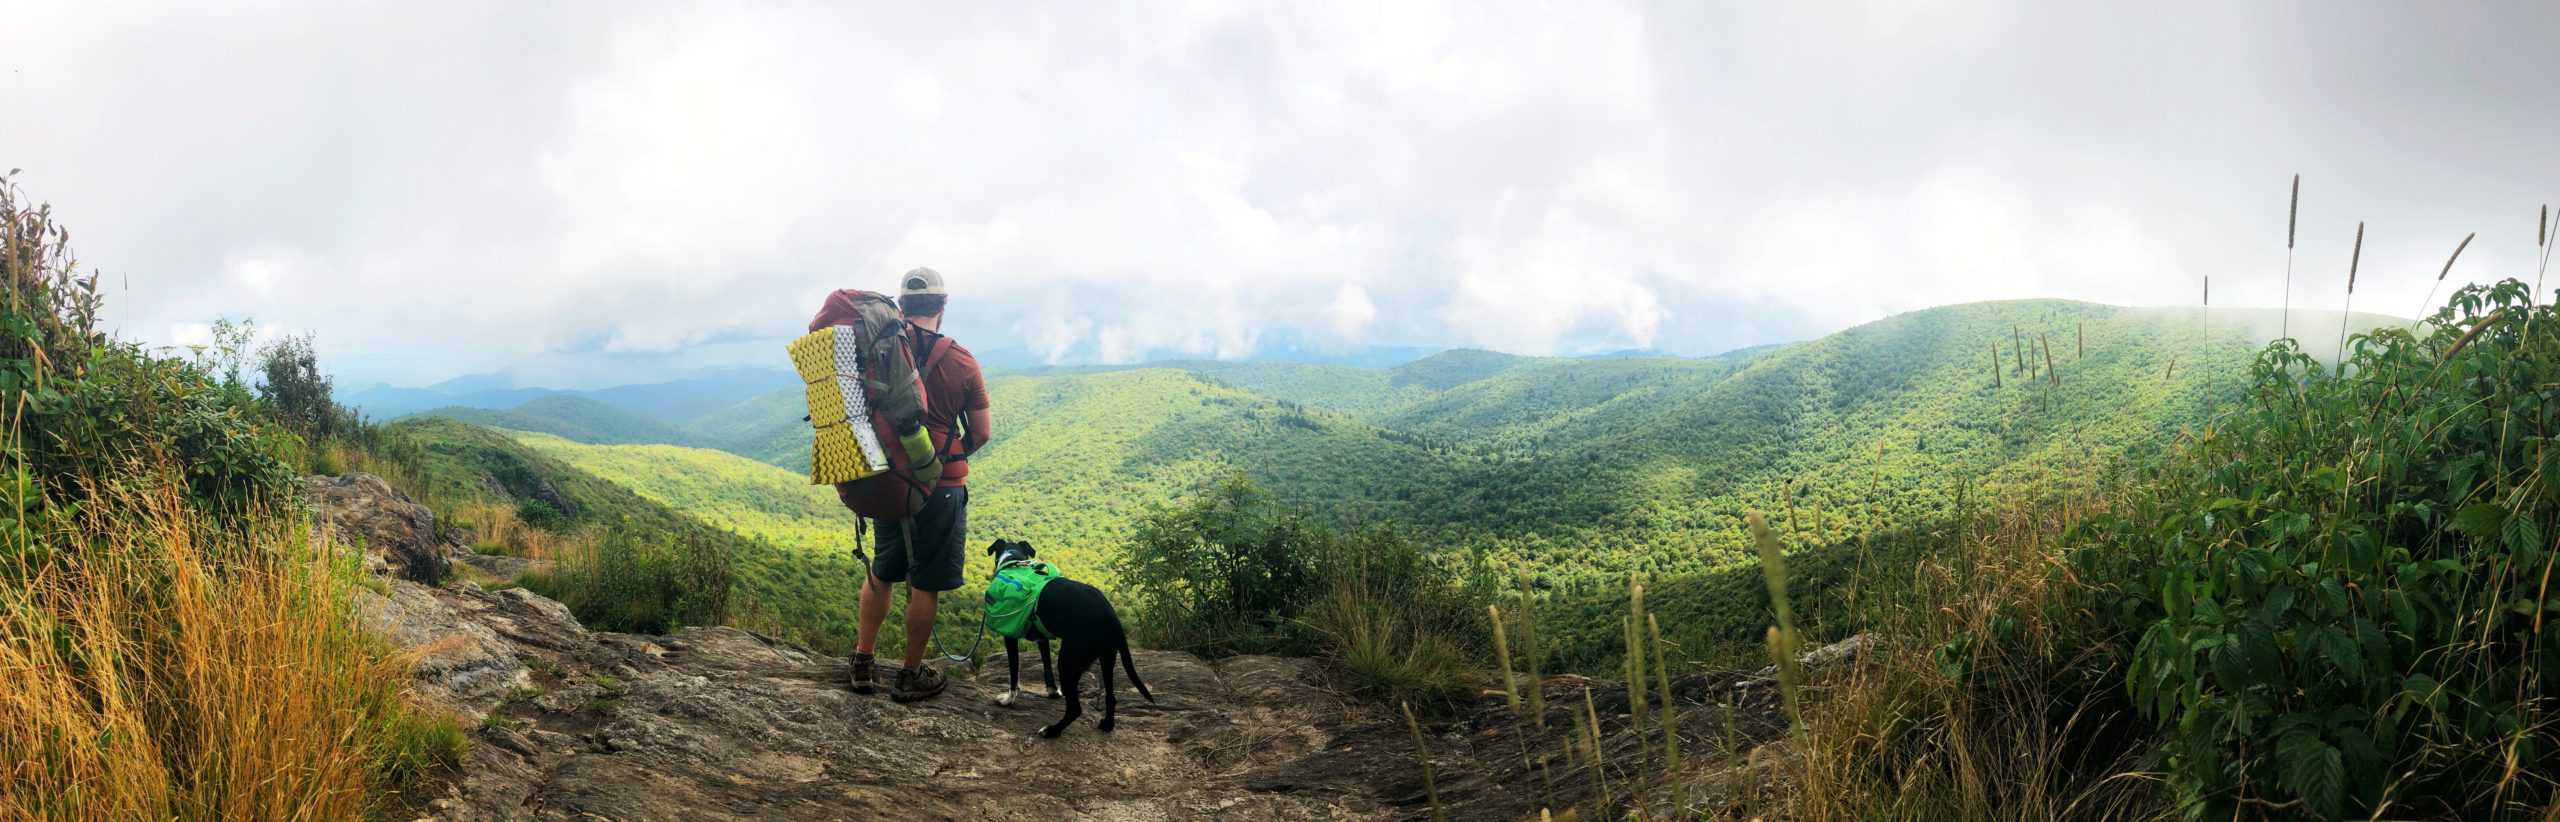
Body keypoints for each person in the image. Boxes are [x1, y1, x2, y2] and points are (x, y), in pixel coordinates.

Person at [849, 267, 992, 702]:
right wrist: (946, 460)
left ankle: (862, 662)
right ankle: (910, 674)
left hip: (888, 478)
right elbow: (982, 432)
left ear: (902, 306)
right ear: (943, 307)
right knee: (924, 583)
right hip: (940, 487)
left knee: (882, 570)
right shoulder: (962, 361)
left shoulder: (880, 348)